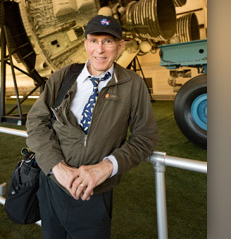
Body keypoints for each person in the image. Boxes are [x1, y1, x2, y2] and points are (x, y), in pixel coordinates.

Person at [26, 15, 159, 239]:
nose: (100, 49)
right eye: (94, 41)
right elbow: (36, 121)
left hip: (95, 195)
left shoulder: (133, 84)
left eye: (108, 41)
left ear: (120, 46)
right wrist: (57, 167)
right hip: (53, 186)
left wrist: (106, 167)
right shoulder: (64, 76)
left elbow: (145, 137)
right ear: (86, 44)